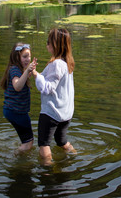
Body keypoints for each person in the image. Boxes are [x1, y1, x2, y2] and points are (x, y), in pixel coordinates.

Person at [32, 28, 76, 165]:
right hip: (66, 113)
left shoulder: (56, 64)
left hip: (52, 112)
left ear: (56, 45)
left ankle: (48, 169)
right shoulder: (67, 62)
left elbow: (47, 88)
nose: (47, 45)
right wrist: (37, 74)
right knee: (61, 141)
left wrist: (35, 75)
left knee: (44, 144)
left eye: (48, 42)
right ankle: (76, 155)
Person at [1, 43, 37, 155]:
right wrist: (27, 71)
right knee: (28, 142)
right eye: (24, 56)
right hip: (16, 112)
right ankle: (16, 158)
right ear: (17, 57)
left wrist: (29, 72)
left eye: (29, 56)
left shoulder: (17, 69)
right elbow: (17, 86)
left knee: (27, 141)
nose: (28, 59)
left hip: (12, 111)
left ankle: (17, 155)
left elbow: (21, 82)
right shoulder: (15, 70)